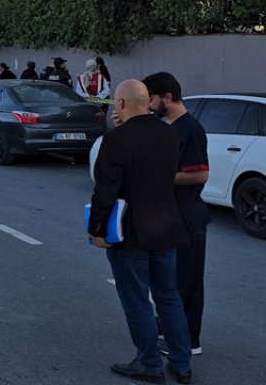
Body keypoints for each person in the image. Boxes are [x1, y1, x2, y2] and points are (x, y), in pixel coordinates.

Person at [90, 79, 193, 384]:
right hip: (167, 226)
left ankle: (148, 362)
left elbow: (105, 190)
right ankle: (181, 362)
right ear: (148, 101)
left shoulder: (117, 140)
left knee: (136, 298)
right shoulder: (169, 133)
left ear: (119, 104)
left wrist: (97, 229)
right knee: (169, 296)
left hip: (130, 231)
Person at [144, 72, 210, 358]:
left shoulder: (190, 130)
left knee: (187, 281)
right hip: (171, 215)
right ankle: (169, 328)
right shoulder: (170, 126)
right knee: (170, 280)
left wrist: (162, 176)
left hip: (187, 216)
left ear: (167, 97)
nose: (149, 105)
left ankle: (189, 339)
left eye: (152, 100)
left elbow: (200, 175)